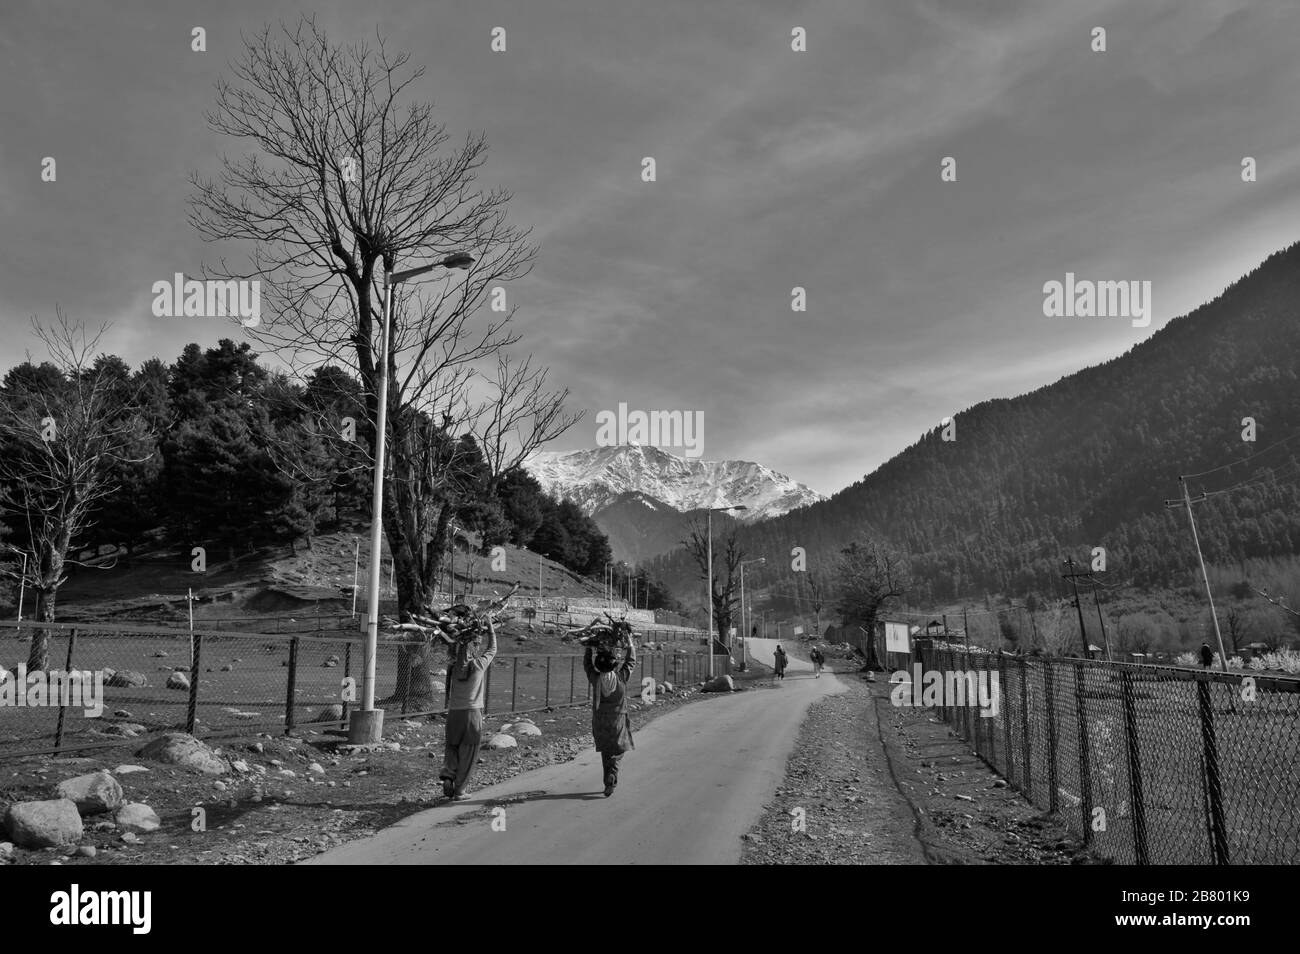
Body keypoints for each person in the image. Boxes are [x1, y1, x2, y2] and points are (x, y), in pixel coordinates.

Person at [439, 618, 498, 800]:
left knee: (452, 747)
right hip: (472, 715)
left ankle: (449, 775)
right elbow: (493, 649)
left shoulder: (453, 668)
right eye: (476, 645)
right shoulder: (478, 665)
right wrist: (490, 628)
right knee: (469, 752)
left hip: (454, 714)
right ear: (473, 648)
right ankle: (460, 790)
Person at [584, 634, 637, 797]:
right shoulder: (621, 679)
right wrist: (630, 645)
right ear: (614, 665)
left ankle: (608, 781)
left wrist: (588, 649)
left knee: (606, 752)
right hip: (618, 720)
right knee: (618, 751)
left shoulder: (595, 679)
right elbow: (630, 663)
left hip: (600, 721)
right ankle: (611, 776)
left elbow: (587, 666)